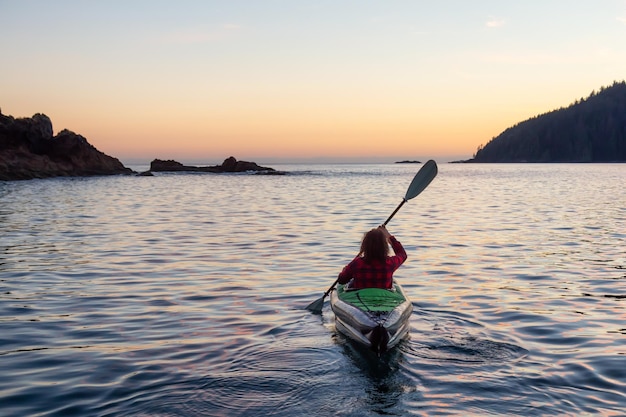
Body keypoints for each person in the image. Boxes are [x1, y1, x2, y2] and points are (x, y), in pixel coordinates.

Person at [337, 225, 407, 290]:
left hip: (361, 297)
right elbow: (402, 254)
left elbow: (342, 280)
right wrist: (388, 236)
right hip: (383, 297)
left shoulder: (357, 263)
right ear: (384, 246)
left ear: (365, 246)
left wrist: (345, 270)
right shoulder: (390, 263)